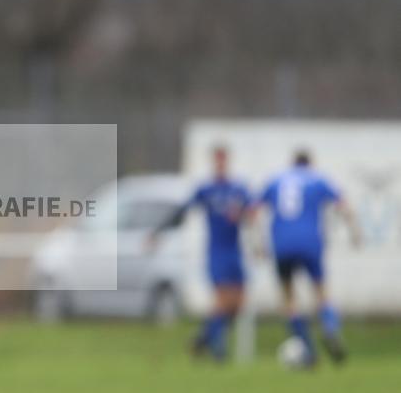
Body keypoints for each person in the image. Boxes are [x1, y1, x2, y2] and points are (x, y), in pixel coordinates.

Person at [255, 150, 359, 366]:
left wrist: (258, 243)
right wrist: (354, 231)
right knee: (321, 294)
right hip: (311, 243)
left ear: (292, 163)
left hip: (282, 245)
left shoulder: (276, 180)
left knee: (289, 299)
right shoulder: (318, 180)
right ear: (310, 164)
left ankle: (309, 350)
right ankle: (330, 329)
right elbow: (342, 205)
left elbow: (253, 210)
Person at [150, 146, 251, 360]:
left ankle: (203, 338)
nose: (220, 164)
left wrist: (243, 215)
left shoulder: (239, 189)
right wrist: (158, 232)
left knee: (237, 304)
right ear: (213, 162)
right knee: (223, 300)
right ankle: (218, 351)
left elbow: (253, 213)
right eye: (217, 160)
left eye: (223, 160)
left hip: (235, 251)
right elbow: (183, 212)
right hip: (217, 252)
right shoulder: (206, 190)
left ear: (228, 161)